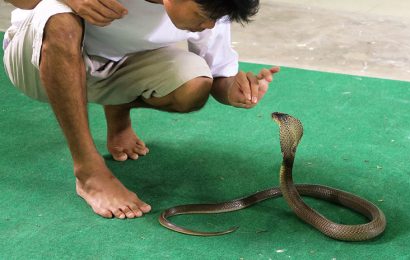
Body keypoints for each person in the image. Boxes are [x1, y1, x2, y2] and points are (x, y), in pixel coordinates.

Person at [3, 0, 280, 219]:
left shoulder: (212, 9)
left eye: (214, 19)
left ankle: (117, 111)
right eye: (200, 14)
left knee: (195, 85)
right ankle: (89, 172)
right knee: (60, 18)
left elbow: (220, 76)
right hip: (36, 62)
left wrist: (236, 91)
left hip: (115, 69)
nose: (208, 25)